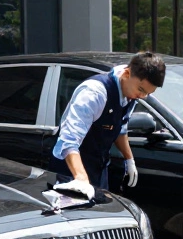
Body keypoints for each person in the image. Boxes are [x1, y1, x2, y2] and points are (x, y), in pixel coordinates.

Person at [48, 52, 166, 199]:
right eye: (141, 90)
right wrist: (81, 179)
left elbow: (120, 128)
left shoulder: (130, 93)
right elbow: (69, 139)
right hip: (70, 170)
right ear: (127, 74)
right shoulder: (94, 93)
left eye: (148, 93)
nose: (142, 97)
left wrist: (129, 160)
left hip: (99, 166)